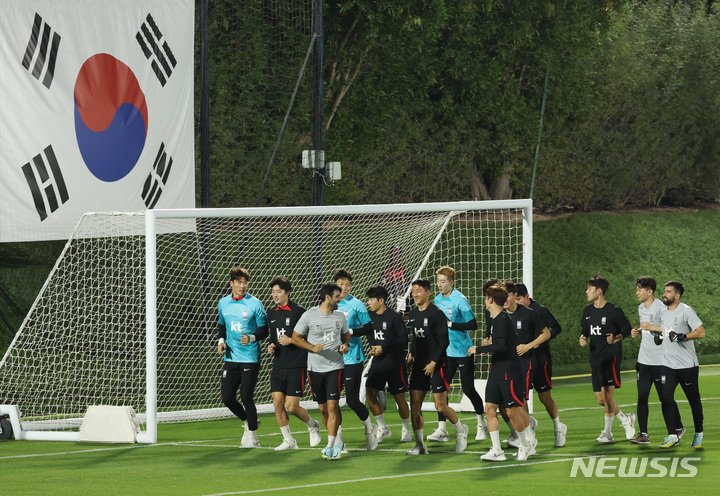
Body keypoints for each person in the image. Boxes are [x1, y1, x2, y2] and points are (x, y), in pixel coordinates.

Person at [291, 282, 356, 460]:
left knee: (333, 405)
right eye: (337, 296)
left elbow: (346, 337)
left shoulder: (340, 316)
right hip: (315, 368)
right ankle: (337, 442)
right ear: (327, 297)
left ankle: (332, 445)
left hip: (335, 366)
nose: (339, 299)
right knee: (323, 409)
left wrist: (345, 346)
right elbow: (295, 338)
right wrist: (312, 347)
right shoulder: (309, 315)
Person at [469, 284, 533, 461]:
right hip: (496, 370)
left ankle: (525, 445)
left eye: (485, 298)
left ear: (490, 300)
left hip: (509, 371)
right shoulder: (494, 319)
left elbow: (501, 345)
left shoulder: (503, 319)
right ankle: (497, 450)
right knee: (489, 408)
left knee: (512, 411)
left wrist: (479, 348)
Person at [405, 278, 469, 455]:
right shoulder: (414, 314)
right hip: (419, 366)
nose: (415, 294)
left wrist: (433, 363)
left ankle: (460, 429)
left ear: (428, 293)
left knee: (440, 406)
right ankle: (419, 445)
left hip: (438, 364)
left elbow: (444, 341)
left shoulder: (436, 314)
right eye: (413, 291)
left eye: (419, 291)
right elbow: (415, 339)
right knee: (415, 406)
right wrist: (411, 356)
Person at [428, 266, 488, 444]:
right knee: (441, 391)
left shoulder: (460, 300)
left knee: (468, 389)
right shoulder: (437, 300)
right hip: (445, 352)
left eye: (443, 281)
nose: (439, 284)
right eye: (438, 281)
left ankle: (481, 423)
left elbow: (473, 324)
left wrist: (451, 324)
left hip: (463, 351)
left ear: (451, 282)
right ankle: (442, 430)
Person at [265, 276, 322, 450]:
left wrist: (292, 340)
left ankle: (312, 425)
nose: (275, 295)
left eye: (279, 292)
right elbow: (272, 336)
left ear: (288, 293)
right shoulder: (271, 312)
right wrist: (271, 345)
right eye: (273, 292)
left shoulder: (299, 312)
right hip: (279, 364)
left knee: (291, 406)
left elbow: (309, 337)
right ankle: (289, 441)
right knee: (277, 402)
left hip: (296, 364)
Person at [579, 274, 635, 443]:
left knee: (607, 396)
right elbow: (585, 330)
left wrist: (616, 338)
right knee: (600, 399)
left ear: (599, 291)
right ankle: (626, 418)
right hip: (595, 357)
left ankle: (608, 433)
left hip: (610, 357)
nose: (587, 291)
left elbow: (627, 329)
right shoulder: (588, 311)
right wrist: (582, 338)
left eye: (590, 289)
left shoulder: (614, 310)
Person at [216, 266, 268, 448]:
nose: (243, 286)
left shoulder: (255, 304)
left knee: (246, 396)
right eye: (239, 282)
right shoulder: (223, 303)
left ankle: (253, 438)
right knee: (227, 398)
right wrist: (221, 341)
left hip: (250, 357)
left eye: (245, 282)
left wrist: (251, 338)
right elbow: (222, 325)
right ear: (231, 283)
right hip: (230, 357)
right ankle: (249, 421)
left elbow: (264, 330)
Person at [497, 281, 549, 454]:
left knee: (520, 401)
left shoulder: (528, 314)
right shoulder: (499, 315)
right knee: (502, 404)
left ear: (513, 297)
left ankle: (529, 439)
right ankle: (523, 432)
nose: (504, 299)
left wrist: (528, 346)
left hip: (525, 364)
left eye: (507, 296)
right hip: (505, 364)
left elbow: (546, 333)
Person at [515, 283, 568, 447]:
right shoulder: (514, 313)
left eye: (519, 299)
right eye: (514, 299)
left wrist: (543, 340)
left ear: (527, 297)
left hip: (540, 359)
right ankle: (529, 431)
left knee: (544, 396)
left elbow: (556, 327)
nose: (516, 302)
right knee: (521, 396)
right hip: (523, 361)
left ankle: (558, 427)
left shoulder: (540, 310)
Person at [654, 281, 705, 448]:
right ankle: (673, 434)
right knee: (665, 397)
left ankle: (699, 431)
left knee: (693, 400)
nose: (664, 294)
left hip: (687, 365)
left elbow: (701, 332)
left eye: (668, 292)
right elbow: (666, 330)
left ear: (677, 295)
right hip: (668, 364)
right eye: (664, 291)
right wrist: (660, 337)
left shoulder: (686, 311)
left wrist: (683, 336)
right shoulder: (662, 311)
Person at [333, 269, 377, 449]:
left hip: (353, 357)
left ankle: (369, 428)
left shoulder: (357, 305)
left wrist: (349, 332)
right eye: (341, 284)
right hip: (332, 359)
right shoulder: (328, 304)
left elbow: (369, 328)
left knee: (351, 400)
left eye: (348, 285)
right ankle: (338, 441)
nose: (344, 288)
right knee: (332, 401)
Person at [364, 285, 413, 444]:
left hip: (394, 363)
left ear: (381, 301)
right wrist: (373, 348)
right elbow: (367, 333)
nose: (369, 302)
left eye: (372, 299)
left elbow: (403, 340)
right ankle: (383, 428)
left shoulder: (394, 316)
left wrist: (383, 348)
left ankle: (406, 429)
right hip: (378, 362)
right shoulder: (369, 315)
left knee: (399, 398)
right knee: (370, 393)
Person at [628, 276, 667, 445]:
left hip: (660, 362)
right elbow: (645, 330)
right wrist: (636, 332)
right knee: (642, 396)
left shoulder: (661, 308)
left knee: (665, 398)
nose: (637, 292)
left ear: (649, 292)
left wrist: (652, 328)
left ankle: (676, 429)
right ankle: (643, 434)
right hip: (643, 360)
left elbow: (668, 330)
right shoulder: (640, 308)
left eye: (640, 289)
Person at [378, 245, 410, 314]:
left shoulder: (404, 272)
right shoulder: (386, 273)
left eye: (399, 254)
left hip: (405, 309)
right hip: (391, 309)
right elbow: (381, 294)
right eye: (395, 254)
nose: (398, 257)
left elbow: (409, 290)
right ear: (391, 256)